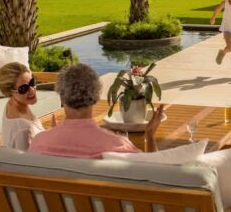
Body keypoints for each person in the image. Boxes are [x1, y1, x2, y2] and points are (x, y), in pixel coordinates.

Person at [29, 63, 165, 158]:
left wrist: (55, 134)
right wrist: (150, 136)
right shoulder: (118, 146)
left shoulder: (40, 143)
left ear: (61, 96)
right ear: (95, 97)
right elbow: (152, 172)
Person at [0, 62, 46, 151]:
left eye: (32, 82)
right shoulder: (22, 130)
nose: (32, 90)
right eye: (23, 89)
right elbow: (26, 162)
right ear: (10, 92)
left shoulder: (13, 103)